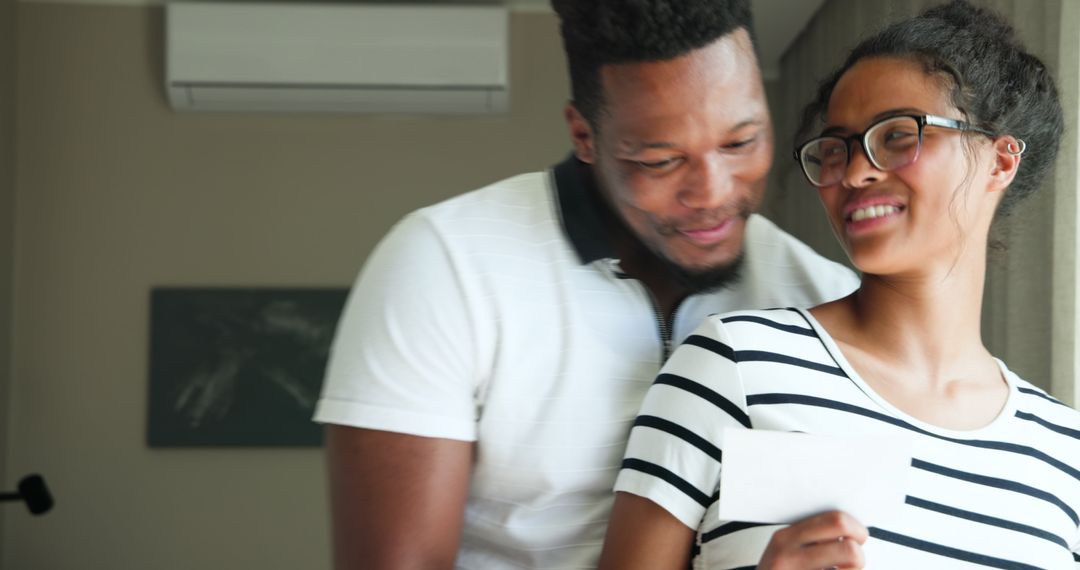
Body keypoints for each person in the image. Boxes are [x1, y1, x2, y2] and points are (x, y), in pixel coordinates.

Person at [312, 1, 858, 568]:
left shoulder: (824, 296)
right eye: (661, 160)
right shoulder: (442, 266)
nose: (713, 192)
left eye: (740, 143)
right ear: (584, 135)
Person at [599, 1, 1080, 568]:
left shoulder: (1063, 453)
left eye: (899, 135)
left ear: (1000, 162)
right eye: (835, 149)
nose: (853, 174)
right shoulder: (734, 367)